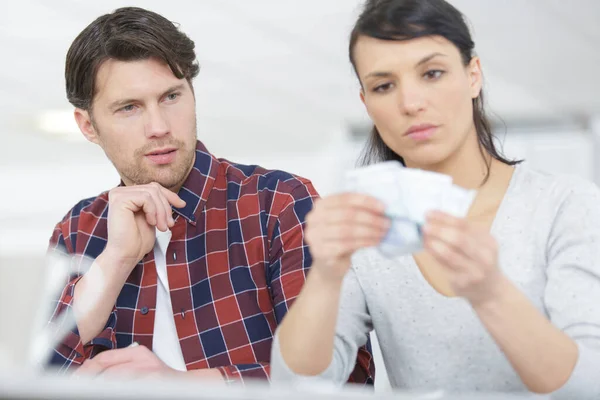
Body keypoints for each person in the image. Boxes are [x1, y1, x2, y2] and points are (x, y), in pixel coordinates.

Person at [270, 0, 600, 398]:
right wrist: (325, 274)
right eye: (384, 86)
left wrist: (491, 294)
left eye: (432, 73)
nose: (410, 103)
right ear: (366, 103)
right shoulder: (368, 226)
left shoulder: (564, 205)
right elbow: (299, 383)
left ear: (473, 75)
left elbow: (590, 385)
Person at [46, 6, 374, 384]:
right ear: (88, 125)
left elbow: (343, 378)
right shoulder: (78, 231)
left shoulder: (278, 204)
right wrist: (115, 261)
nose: (159, 126)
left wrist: (181, 386)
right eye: (129, 108)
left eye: (170, 97)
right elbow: (42, 380)